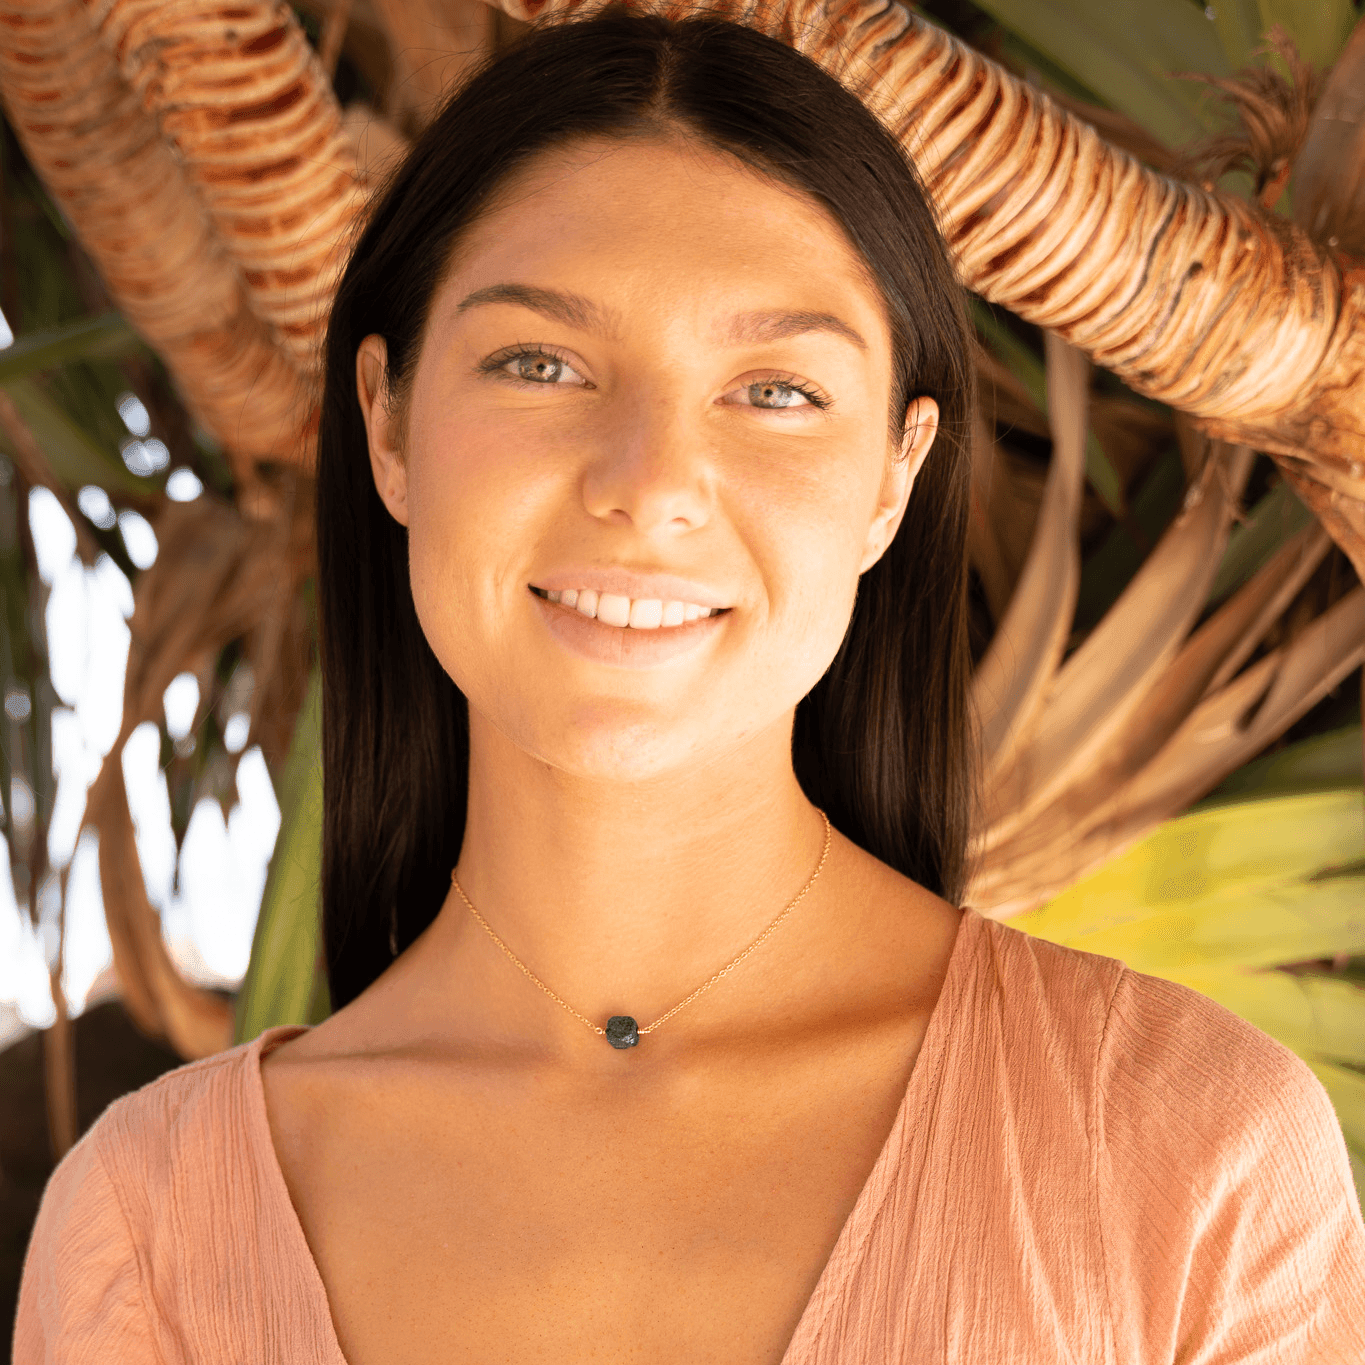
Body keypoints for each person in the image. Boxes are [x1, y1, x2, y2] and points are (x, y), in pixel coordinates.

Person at [14, 5, 1365, 1362]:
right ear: (386, 424)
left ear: (894, 480)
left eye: (774, 390)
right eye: (539, 363)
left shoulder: (1190, 1159)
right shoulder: (151, 1229)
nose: (649, 485)